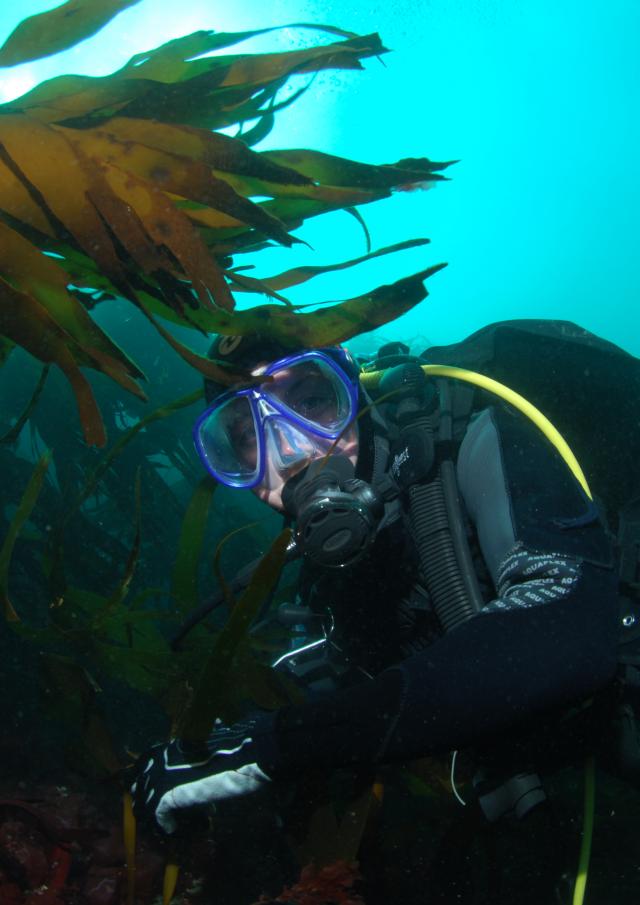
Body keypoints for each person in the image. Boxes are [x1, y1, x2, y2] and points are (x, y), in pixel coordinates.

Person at [131, 330, 620, 840]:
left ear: (356, 393)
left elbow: (571, 627)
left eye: (314, 401)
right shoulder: (325, 583)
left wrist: (272, 746)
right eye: (247, 436)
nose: (293, 452)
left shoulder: (470, 438)